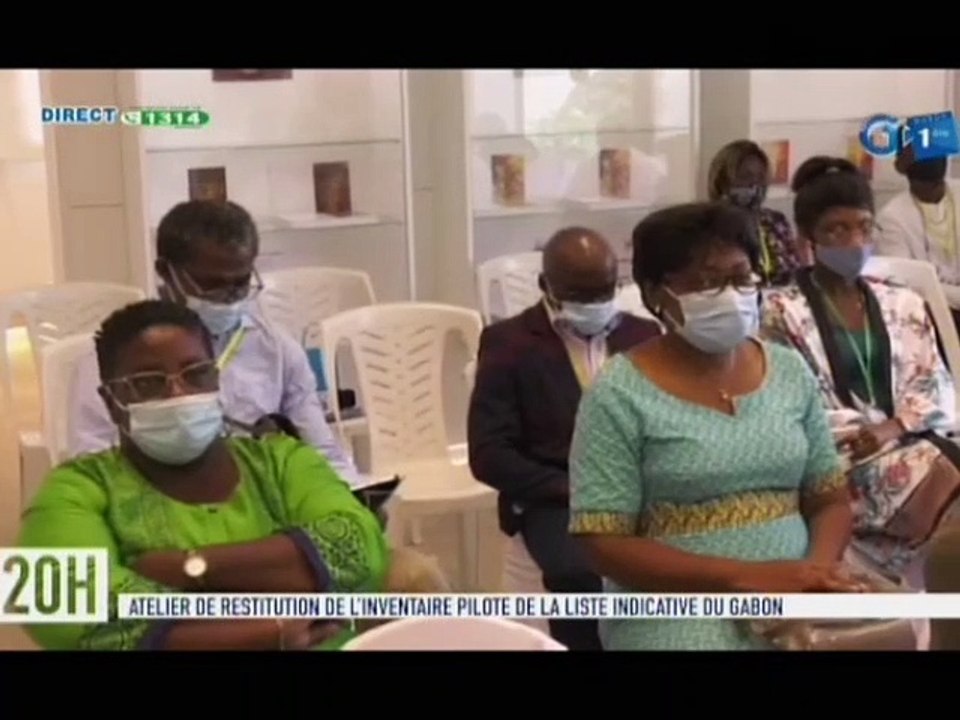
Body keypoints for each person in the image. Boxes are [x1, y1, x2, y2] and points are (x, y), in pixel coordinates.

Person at [568, 202, 861, 651]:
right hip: (677, 605)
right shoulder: (618, 393)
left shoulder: (787, 370)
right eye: (706, 282)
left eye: (741, 277)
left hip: (800, 588)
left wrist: (813, 578)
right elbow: (603, 541)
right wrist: (744, 579)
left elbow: (829, 499)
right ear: (655, 295)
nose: (730, 294)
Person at [18, 300, 389, 650]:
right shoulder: (75, 488)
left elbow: (360, 552)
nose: (178, 393)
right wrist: (270, 630)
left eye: (196, 374)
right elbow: (59, 608)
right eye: (148, 382)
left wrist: (187, 567)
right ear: (110, 402)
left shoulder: (280, 460)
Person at [761, 156, 960, 593]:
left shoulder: (902, 301)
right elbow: (791, 400)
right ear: (809, 235)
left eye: (864, 228)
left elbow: (935, 381)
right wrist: (869, 433)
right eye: (838, 230)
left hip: (915, 439)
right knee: (944, 474)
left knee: (941, 465)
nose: (855, 241)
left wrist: (896, 426)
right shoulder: (781, 310)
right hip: (838, 454)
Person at [67, 200, 365, 487]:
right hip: (148, 500)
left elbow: (321, 450)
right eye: (211, 285)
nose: (229, 297)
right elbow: (92, 459)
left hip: (261, 501)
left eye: (240, 283)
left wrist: (352, 496)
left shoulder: (276, 349)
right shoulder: (115, 356)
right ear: (165, 271)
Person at [468, 227, 661, 651]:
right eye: (580, 294)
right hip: (557, 495)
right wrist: (573, 488)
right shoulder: (508, 344)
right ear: (546, 287)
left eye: (603, 291)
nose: (595, 304)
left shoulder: (645, 336)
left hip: (642, 486)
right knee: (582, 575)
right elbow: (489, 453)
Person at [876, 144, 960, 333]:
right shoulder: (892, 216)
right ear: (910, 180)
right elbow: (904, 279)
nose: (932, 192)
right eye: (924, 185)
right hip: (930, 311)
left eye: (937, 184)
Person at [707, 140, 804, 286]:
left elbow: (794, 270)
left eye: (760, 177)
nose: (754, 184)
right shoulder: (707, 226)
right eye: (745, 176)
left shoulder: (774, 221)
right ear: (723, 180)